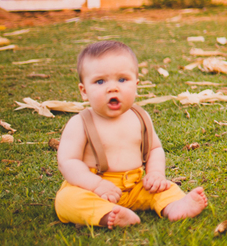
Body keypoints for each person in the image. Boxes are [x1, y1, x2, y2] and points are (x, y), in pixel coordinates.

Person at [55, 41, 207, 228]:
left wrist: (155, 174)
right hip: (94, 188)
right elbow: (68, 161)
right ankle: (107, 214)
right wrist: (96, 185)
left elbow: (154, 149)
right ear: (84, 91)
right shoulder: (80, 123)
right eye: (100, 81)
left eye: (122, 79)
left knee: (166, 188)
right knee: (66, 199)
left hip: (135, 186)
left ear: (136, 85)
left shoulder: (141, 117)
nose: (113, 88)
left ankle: (175, 205)